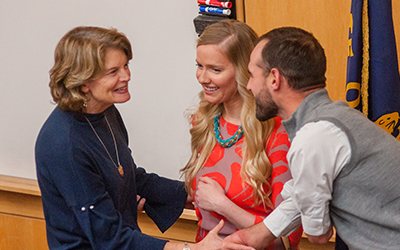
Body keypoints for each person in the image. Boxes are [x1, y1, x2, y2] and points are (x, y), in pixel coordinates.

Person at [35, 26, 255, 250]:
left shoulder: (105, 111)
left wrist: (192, 194)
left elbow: (125, 173)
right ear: (84, 82)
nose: (126, 76)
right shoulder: (64, 144)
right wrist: (191, 249)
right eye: (113, 72)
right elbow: (109, 239)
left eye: (126, 66)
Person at [224, 27, 400, 250]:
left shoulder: (313, 138)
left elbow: (319, 234)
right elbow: (303, 193)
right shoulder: (336, 118)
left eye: (252, 75)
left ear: (274, 79)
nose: (248, 86)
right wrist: (263, 232)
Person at [180, 20, 302, 250]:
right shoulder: (204, 121)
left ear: (245, 71)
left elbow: (288, 237)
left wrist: (223, 205)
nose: (202, 78)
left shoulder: (277, 131)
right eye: (199, 65)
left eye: (215, 69)